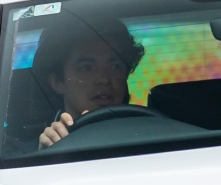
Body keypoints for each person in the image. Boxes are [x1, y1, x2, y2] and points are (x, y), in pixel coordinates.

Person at [32, 12, 145, 149]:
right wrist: (48, 156)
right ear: (57, 82)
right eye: (86, 68)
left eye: (115, 66)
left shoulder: (151, 134)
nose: (104, 79)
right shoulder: (24, 152)